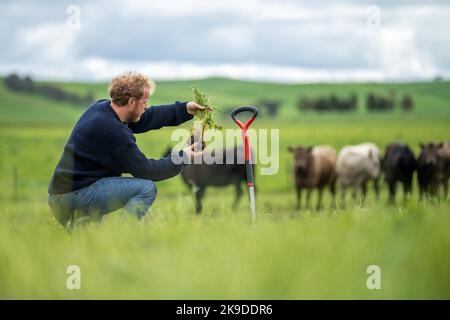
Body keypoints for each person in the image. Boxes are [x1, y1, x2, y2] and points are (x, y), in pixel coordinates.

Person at [48, 72, 205, 228]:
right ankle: (121, 236)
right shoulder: (114, 131)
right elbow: (147, 170)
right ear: (131, 102)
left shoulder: (103, 108)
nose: (146, 106)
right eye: (145, 102)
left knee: (93, 246)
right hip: (74, 197)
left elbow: (146, 117)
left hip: (64, 195)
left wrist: (184, 109)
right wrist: (183, 157)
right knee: (146, 189)